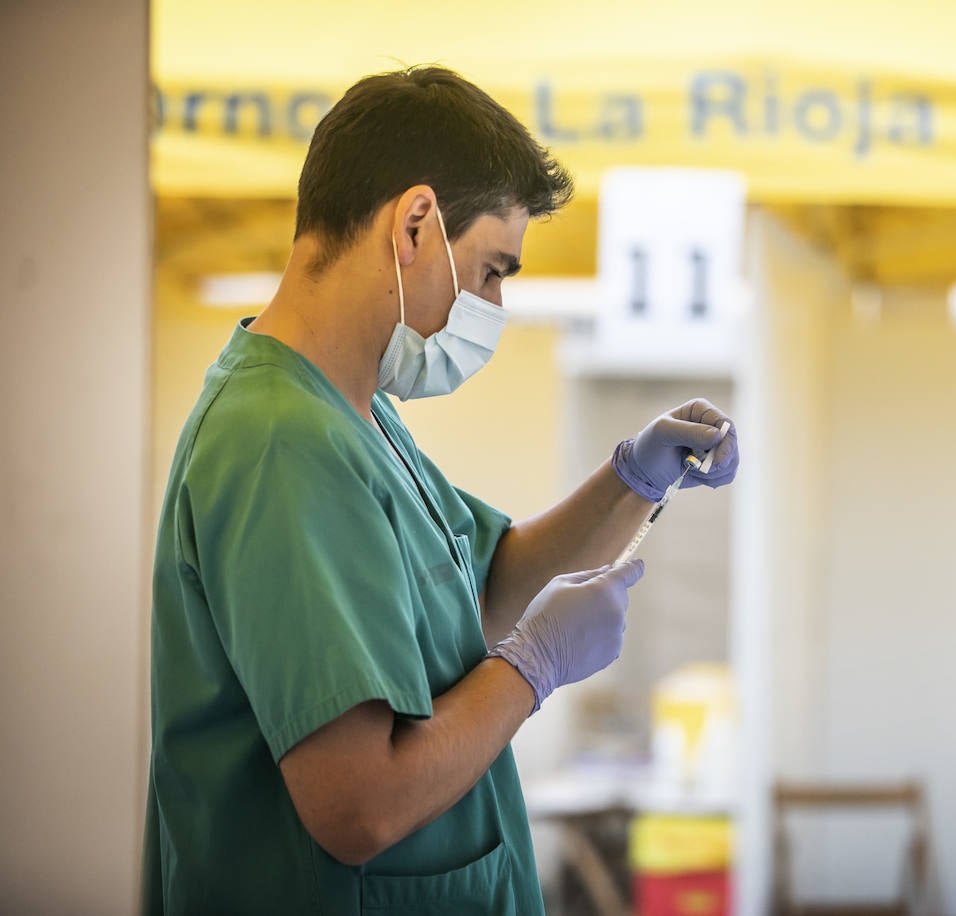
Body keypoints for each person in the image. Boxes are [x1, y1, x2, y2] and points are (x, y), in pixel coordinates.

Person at [140, 66, 740, 915]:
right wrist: (533, 668)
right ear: (416, 223)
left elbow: (482, 589)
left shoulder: (358, 415)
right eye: (493, 270)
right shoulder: (280, 439)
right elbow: (359, 805)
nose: (494, 304)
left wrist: (631, 480)